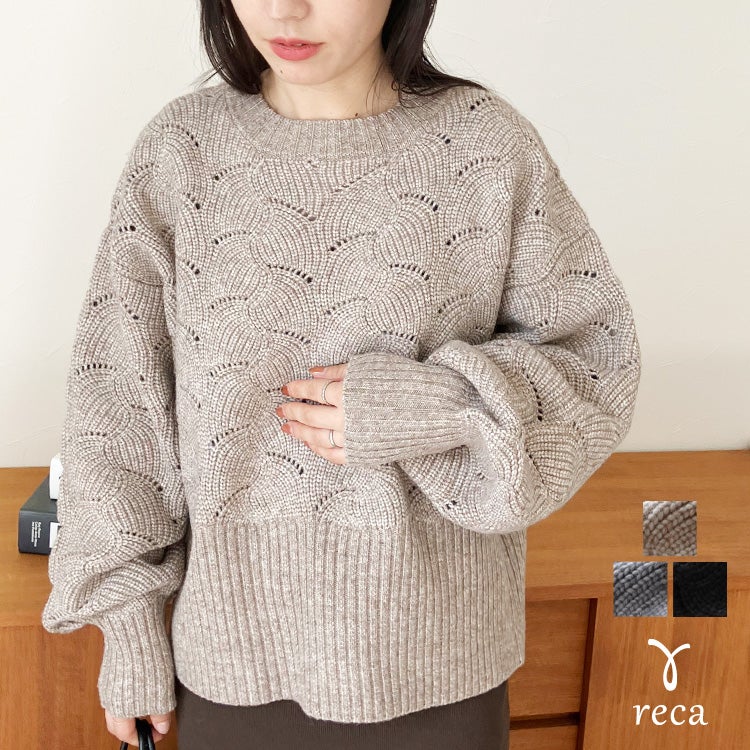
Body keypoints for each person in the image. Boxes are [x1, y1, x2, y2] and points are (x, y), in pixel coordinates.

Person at [40, 0, 641, 747]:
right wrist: (127, 626)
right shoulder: (180, 153)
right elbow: (117, 406)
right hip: (230, 666)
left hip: (439, 667)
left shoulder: (487, 147)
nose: (284, 9)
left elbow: (596, 363)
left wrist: (436, 406)